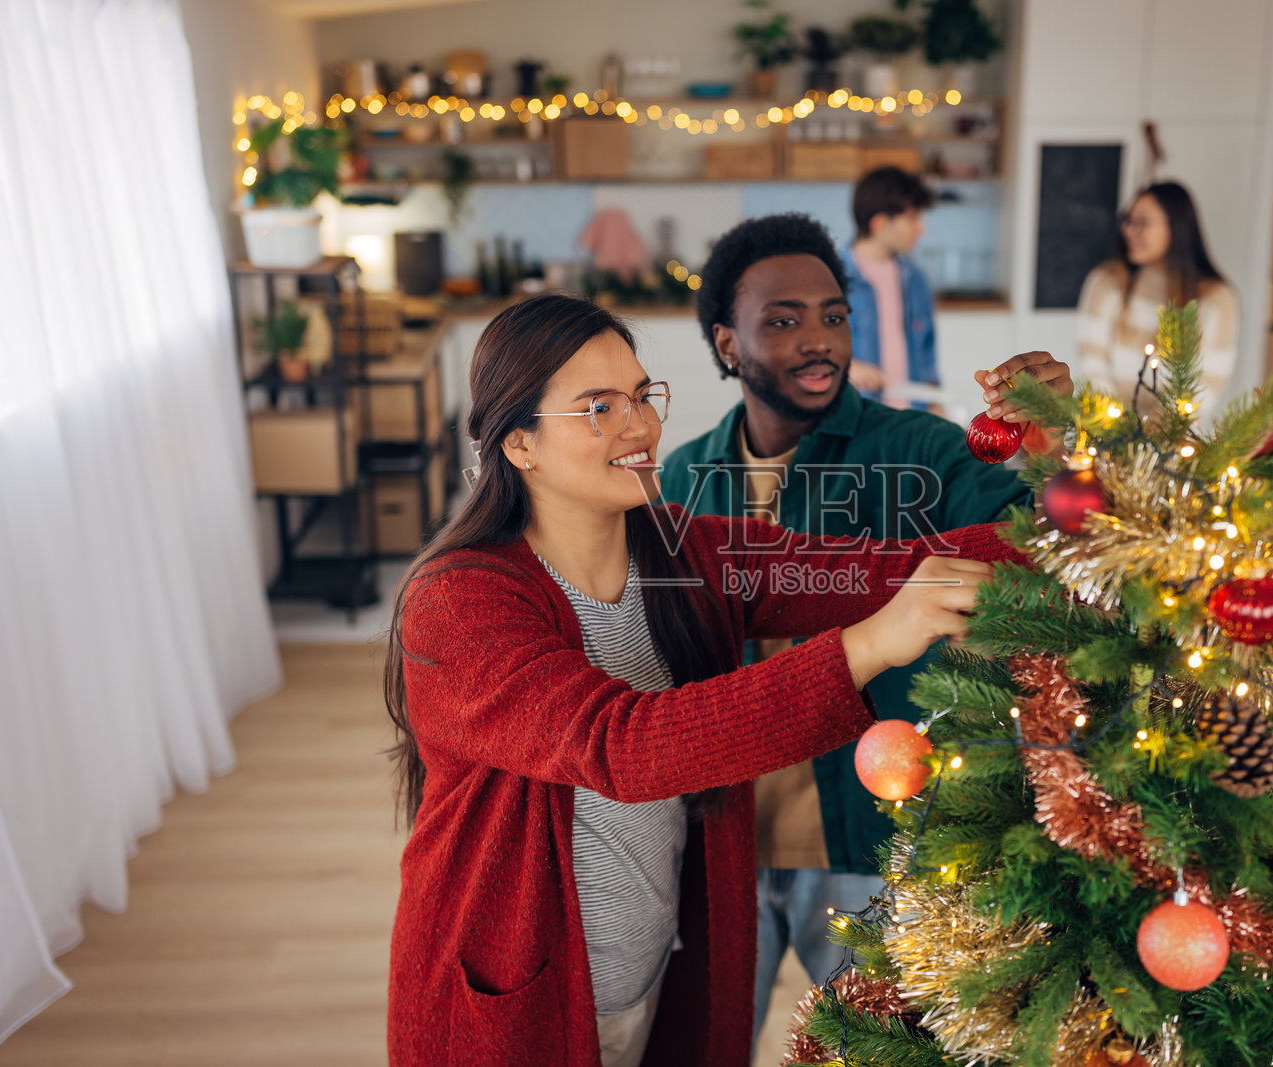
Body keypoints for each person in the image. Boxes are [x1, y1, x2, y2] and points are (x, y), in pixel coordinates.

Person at [382, 292, 1023, 1067]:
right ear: (519, 443)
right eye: (598, 407)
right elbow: (623, 746)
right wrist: (869, 645)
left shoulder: (690, 554)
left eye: (641, 396)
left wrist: (1086, 508)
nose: (640, 426)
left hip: (656, 979)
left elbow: (893, 569)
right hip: (517, 1009)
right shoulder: (458, 600)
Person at [657, 213, 1074, 1041]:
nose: (819, 339)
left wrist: (1055, 452)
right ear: (727, 343)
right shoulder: (683, 475)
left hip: (874, 848)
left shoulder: (925, 453)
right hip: (719, 849)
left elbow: (1043, 547)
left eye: (834, 315)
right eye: (783, 320)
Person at [1076, 181, 1238, 411]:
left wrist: (1159, 426)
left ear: (1176, 228)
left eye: (1142, 223)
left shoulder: (1216, 298)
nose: (1129, 230)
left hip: (1175, 431)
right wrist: (1114, 421)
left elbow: (1208, 383)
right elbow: (1091, 360)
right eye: (1128, 220)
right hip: (1106, 426)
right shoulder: (1105, 282)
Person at [840, 166, 939, 410]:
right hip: (861, 416)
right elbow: (813, 351)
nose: (921, 228)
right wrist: (846, 368)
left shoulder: (915, 278)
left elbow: (927, 349)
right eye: (912, 219)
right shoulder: (832, 277)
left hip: (912, 414)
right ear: (881, 224)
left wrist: (934, 401)